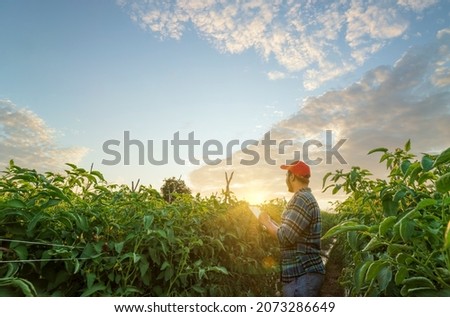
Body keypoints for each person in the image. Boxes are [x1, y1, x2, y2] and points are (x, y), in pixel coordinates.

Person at [258, 160, 325, 296]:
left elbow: (285, 237)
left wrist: (266, 222)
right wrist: (271, 223)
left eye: (287, 175)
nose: (286, 179)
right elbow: (290, 231)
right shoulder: (305, 198)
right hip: (303, 275)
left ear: (292, 176)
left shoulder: (301, 199)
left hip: (302, 274)